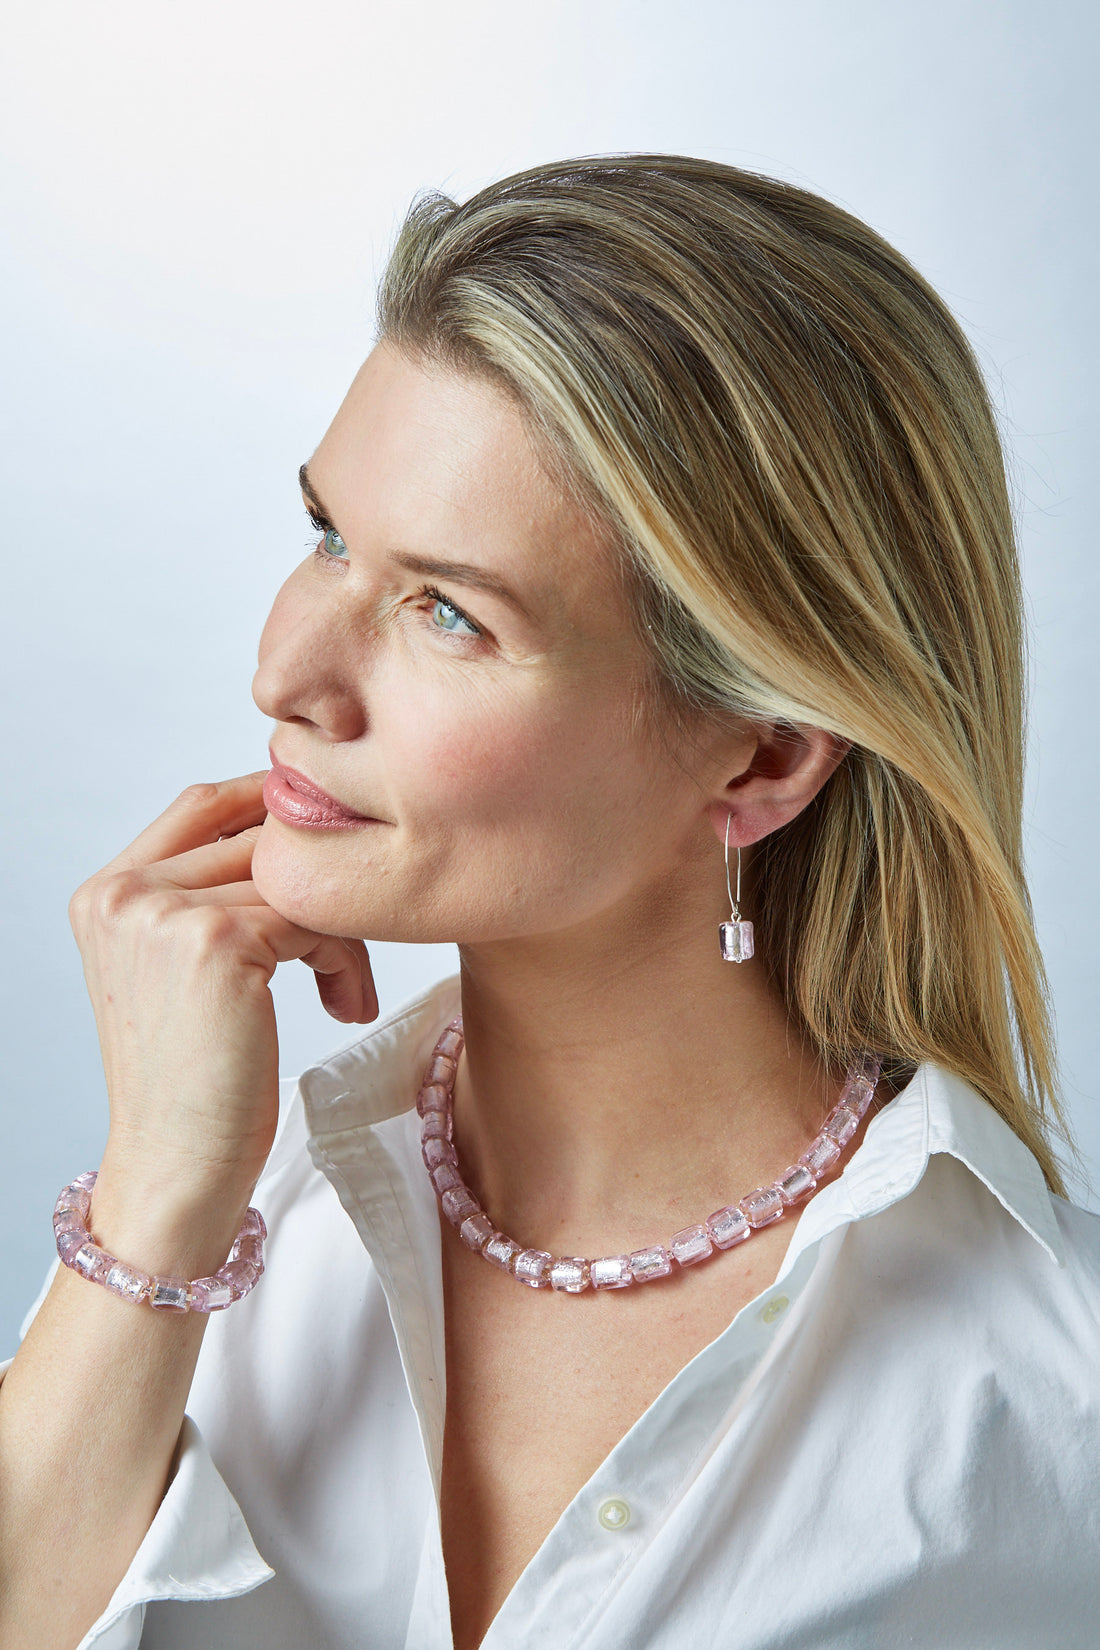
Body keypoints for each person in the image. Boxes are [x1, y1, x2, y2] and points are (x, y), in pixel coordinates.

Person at [1, 152, 1097, 1650]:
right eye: (328, 535)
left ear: (763, 757)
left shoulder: (1047, 1400)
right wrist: (156, 1194)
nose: (285, 675)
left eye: (449, 611)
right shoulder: (213, 1230)